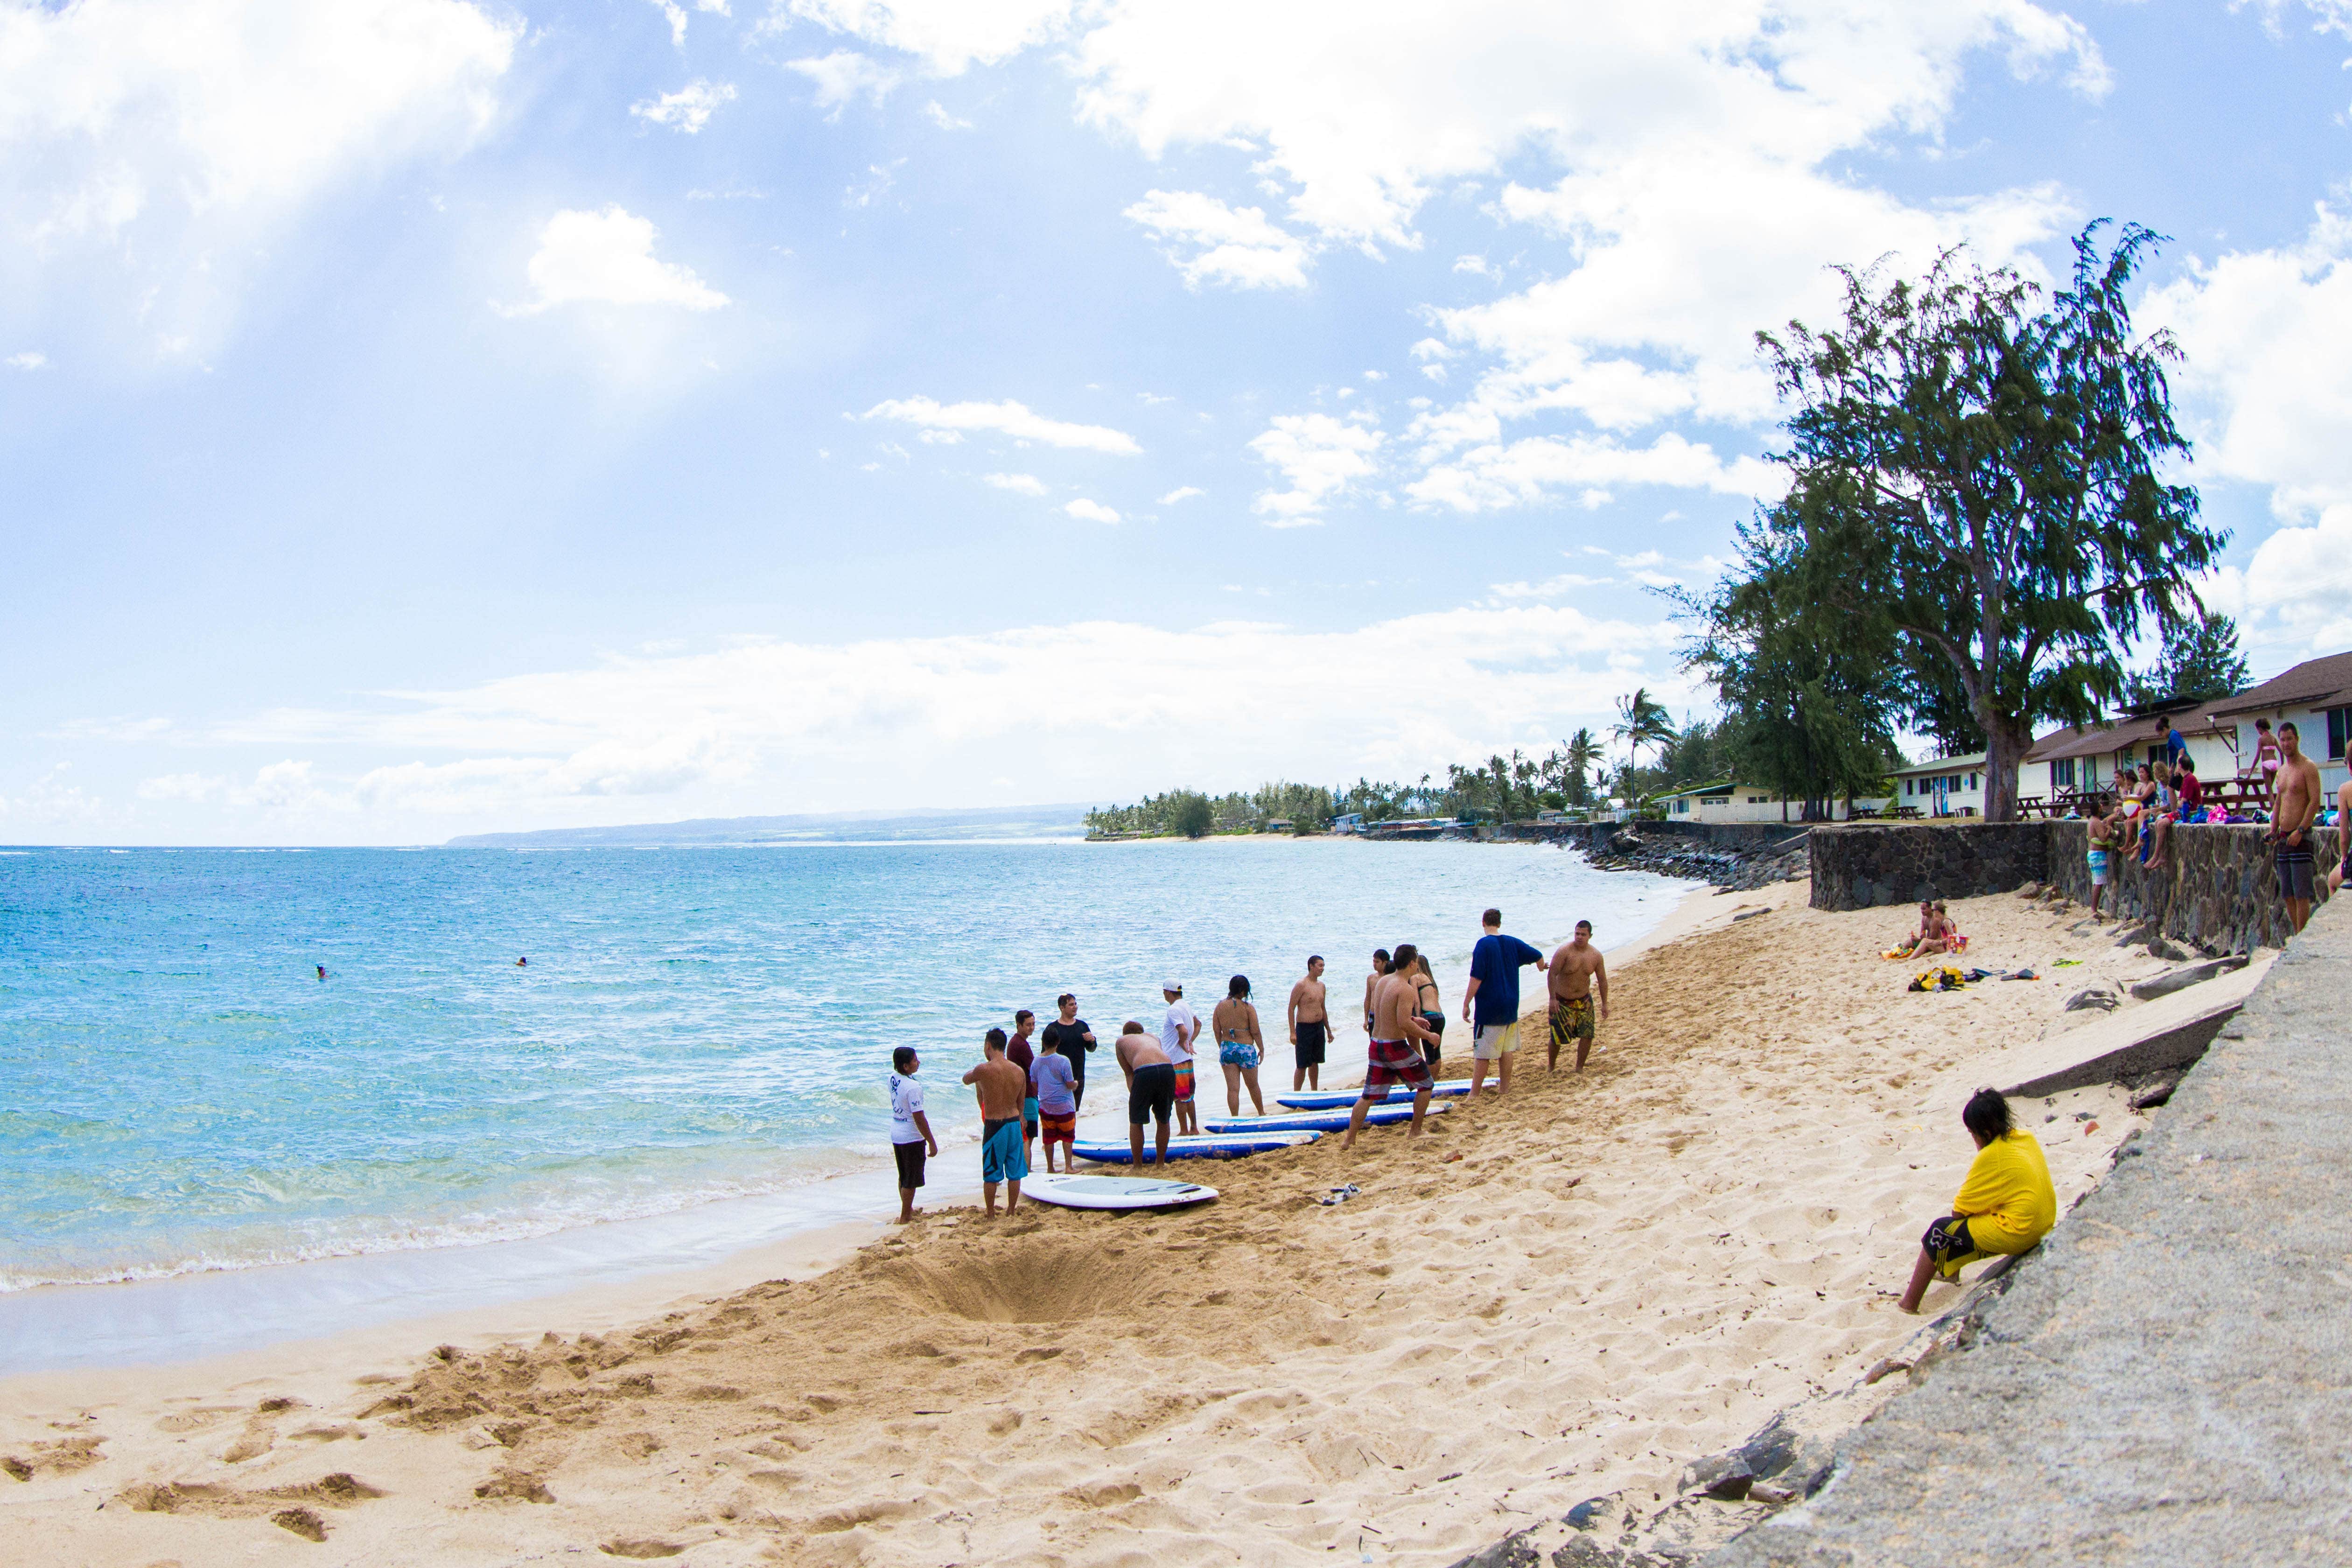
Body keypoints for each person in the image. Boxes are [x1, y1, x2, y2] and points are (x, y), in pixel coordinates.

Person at [1898, 1089, 2057, 1312]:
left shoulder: (1991, 1156)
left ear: (1985, 1133)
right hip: (2045, 1223)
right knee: (1976, 1218)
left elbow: (1958, 1213)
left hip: (2023, 1232)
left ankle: (1909, 1304)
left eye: (1973, 1135)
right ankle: (1950, 1274)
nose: (1973, 1140)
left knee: (1940, 1230)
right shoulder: (2025, 1138)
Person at [1346, 942, 1441, 1148]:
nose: (1417, 965)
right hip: (1393, 1046)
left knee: (1368, 1095)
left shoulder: (1383, 981)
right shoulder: (1405, 989)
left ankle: (1349, 1139)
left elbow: (1385, 1012)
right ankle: (1415, 1131)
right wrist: (1429, 1036)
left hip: (1376, 1044)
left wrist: (1415, 1020)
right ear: (1412, 964)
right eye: (1416, 962)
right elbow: (1402, 1023)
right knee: (1426, 1084)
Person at [1462, 908, 1547, 1099]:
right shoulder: (1512, 942)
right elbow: (1537, 955)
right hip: (1511, 1004)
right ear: (1499, 924)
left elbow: (1476, 978)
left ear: (1483, 923)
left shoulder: (1483, 945)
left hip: (1490, 1007)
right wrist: (1541, 967)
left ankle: (1474, 1095)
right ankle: (1505, 1089)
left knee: (1483, 1052)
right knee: (1506, 1049)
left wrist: (1466, 1003)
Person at [960, 1029, 1028, 1217]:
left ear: (988, 1046)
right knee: (1015, 1171)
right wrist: (1021, 1118)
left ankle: (990, 1212)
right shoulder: (1018, 1071)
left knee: (991, 1174)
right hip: (1014, 1123)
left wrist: (978, 1076)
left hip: (995, 1125)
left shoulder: (984, 1069)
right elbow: (1021, 1103)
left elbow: (966, 1079)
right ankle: (1011, 1210)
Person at [2271, 720, 2324, 934]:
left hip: (2301, 837)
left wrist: (2301, 830)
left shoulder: (2308, 767)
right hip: (2284, 838)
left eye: (2289, 739)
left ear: (2297, 739)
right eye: (2282, 740)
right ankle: (2297, 934)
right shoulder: (2282, 771)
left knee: (2302, 892)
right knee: (2288, 893)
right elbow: (2278, 801)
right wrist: (2273, 830)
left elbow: (2314, 801)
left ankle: (2301, 936)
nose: (2286, 743)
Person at [1545, 919, 1607, 1072]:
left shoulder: (1595, 956)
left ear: (1590, 936)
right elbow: (1552, 974)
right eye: (1577, 933)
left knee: (1588, 1034)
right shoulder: (1564, 952)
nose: (1579, 937)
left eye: (1583, 934)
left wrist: (1605, 1004)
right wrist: (1552, 999)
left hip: (1584, 1000)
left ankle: (1579, 1068)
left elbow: (1603, 981)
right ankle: (1551, 1066)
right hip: (1562, 1001)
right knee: (1557, 1038)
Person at [888, 1045, 939, 1224]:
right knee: (911, 1179)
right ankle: (905, 1216)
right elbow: (919, 1117)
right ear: (906, 1067)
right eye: (915, 1060)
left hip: (897, 1133)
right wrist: (931, 1141)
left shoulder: (893, 1078)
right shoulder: (913, 1087)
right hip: (911, 1137)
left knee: (903, 1175)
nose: (919, 1062)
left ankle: (907, 1208)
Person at [1116, 1021, 1176, 1167]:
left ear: (1126, 1034)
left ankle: (1137, 1166)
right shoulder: (1153, 1038)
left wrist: (1135, 1098)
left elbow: (1129, 1074)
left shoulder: (1121, 1041)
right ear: (1141, 1033)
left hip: (1145, 1071)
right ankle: (1160, 1164)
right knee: (1163, 1119)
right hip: (1168, 1069)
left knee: (1136, 1121)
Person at [1212, 975, 1267, 1117]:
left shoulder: (1220, 1006)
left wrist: (1223, 1047)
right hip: (1245, 1048)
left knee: (1232, 1089)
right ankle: (1261, 1113)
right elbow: (1255, 1031)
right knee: (1253, 1086)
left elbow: (1217, 1031)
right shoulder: (1248, 1008)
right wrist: (1261, 1048)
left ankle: (1234, 1117)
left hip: (1227, 1048)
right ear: (1243, 991)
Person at [1030, 1030, 1078, 1174]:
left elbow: (1034, 1083)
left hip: (1045, 1106)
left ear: (1043, 1043)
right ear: (1058, 1043)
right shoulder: (1063, 1061)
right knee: (1068, 1136)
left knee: (1049, 1137)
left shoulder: (1036, 1061)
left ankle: (1050, 1167)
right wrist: (1076, 1084)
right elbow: (1069, 1084)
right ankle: (1068, 1167)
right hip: (1064, 1106)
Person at [1040, 994, 1096, 1115]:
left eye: (1076, 1004)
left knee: (1073, 1112)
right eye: (1071, 1005)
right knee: (1058, 1113)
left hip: (1078, 1077)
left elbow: (1092, 1049)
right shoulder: (1053, 1028)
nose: (1075, 1007)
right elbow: (1044, 1054)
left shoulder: (1082, 1026)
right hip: (1058, 1079)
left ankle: (1072, 1134)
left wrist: (1092, 1040)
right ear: (1062, 1008)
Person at [1161, 982, 1202, 1135]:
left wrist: (1182, 1042)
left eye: (1164, 992)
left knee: (1179, 1097)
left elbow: (1183, 1030)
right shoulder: (1186, 1005)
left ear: (1168, 992)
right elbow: (1198, 1024)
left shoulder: (1173, 1009)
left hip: (1176, 1060)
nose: (1164, 995)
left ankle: (1184, 1130)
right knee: (1189, 1096)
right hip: (1186, 1058)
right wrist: (1190, 1042)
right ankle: (1194, 1128)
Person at [1287, 956, 1332, 1091]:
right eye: (1320, 965)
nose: (1322, 968)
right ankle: (1297, 1093)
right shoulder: (1302, 985)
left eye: (1323, 966)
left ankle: (1314, 1090)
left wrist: (1328, 1030)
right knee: (1302, 1064)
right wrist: (1292, 1032)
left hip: (1318, 1027)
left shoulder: (1322, 986)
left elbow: (1323, 1009)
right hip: (1304, 1028)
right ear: (1311, 966)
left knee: (1315, 1061)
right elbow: (1291, 1008)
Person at [1005, 1009, 1041, 1170]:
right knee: (1028, 1136)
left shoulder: (1016, 1042)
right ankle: (1026, 1171)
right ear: (1019, 1025)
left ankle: (1022, 1170)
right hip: (1027, 1096)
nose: (1032, 1028)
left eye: (1033, 1024)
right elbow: (1034, 1069)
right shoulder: (1020, 1044)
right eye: (1028, 1025)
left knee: (1024, 1137)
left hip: (1021, 1095)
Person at [1410, 953, 1446, 1067]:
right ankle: (1434, 1079)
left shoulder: (1415, 978)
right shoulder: (1431, 980)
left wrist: (1418, 1017)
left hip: (1429, 1017)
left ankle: (1429, 1082)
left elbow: (1416, 1001)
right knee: (1437, 1053)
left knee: (1429, 1056)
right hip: (1440, 1017)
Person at [2085, 796, 2117, 921]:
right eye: (2101, 806)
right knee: (2098, 883)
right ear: (2098, 809)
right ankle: (2094, 909)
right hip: (2097, 855)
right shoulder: (2096, 822)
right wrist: (2109, 829)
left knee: (2096, 882)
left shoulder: (2092, 821)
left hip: (2093, 854)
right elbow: (2103, 838)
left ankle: (2094, 908)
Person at [2252, 717, 2283, 799]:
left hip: (2266, 764)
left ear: (2259, 728)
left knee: (2269, 792)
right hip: (2275, 763)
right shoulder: (2273, 738)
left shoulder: (2261, 739)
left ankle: (2273, 811)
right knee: (2272, 790)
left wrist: (2250, 772)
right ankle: (2276, 809)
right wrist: (2283, 765)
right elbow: (2281, 751)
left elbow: (2257, 757)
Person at [1362, 949, 1391, 1038]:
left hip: (1385, 1015)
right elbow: (1368, 998)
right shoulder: (1371, 978)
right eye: (1374, 961)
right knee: (1373, 1041)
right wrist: (1366, 1019)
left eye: (1377, 962)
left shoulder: (1390, 978)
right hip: (1373, 1014)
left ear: (1385, 963)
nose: (1374, 964)